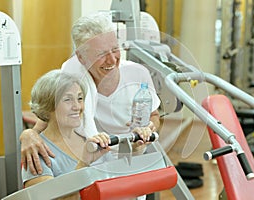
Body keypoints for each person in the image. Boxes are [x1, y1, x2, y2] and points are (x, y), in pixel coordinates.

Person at [20, 12, 161, 176]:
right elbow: (52, 113)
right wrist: (29, 134)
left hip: (130, 153)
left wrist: (148, 129)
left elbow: (154, 115)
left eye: (115, 49)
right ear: (81, 57)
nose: (111, 60)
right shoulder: (72, 74)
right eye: (101, 54)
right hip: (95, 155)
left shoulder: (138, 75)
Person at [22, 69, 112, 199]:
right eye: (68, 100)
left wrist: (137, 148)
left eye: (80, 98)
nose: (77, 106)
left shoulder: (91, 140)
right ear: (48, 106)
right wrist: (84, 163)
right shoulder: (36, 152)